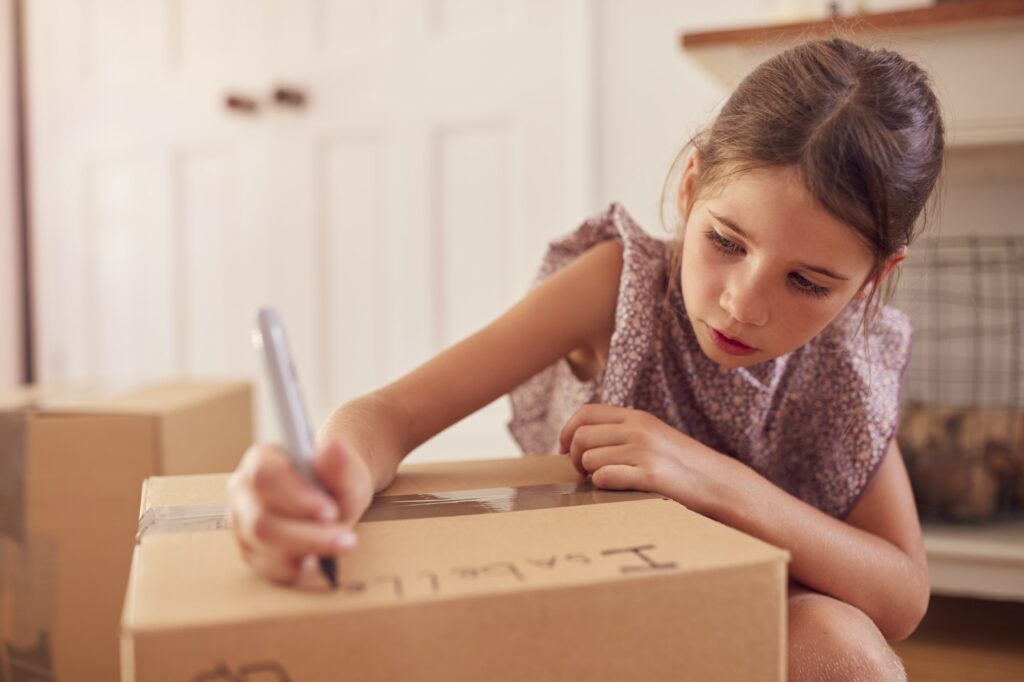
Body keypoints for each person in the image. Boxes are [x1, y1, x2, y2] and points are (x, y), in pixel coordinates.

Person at [227, 38, 943, 681]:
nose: (743, 305)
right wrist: (325, 485)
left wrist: (710, 479)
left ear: (874, 279)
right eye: (726, 241)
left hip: (747, 626)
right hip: (597, 614)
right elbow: (386, 416)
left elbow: (901, 594)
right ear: (690, 187)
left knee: (842, 647)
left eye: (808, 282)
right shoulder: (619, 287)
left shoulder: (847, 358)